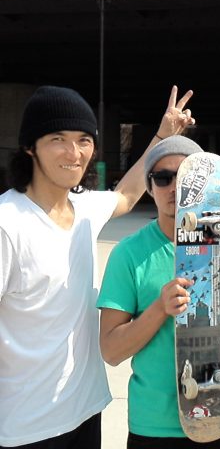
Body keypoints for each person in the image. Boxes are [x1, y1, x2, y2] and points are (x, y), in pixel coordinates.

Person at [0, 84, 194, 448]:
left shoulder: (85, 208)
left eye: (84, 140)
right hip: (25, 426)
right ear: (30, 147)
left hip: (85, 411)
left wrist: (163, 135)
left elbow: (128, 194)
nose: (73, 153)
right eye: (57, 139)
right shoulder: (7, 224)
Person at [96, 135, 220, 449]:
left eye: (187, 179)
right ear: (150, 187)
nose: (176, 187)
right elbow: (111, 351)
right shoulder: (129, 254)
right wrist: (158, 310)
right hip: (154, 429)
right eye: (163, 178)